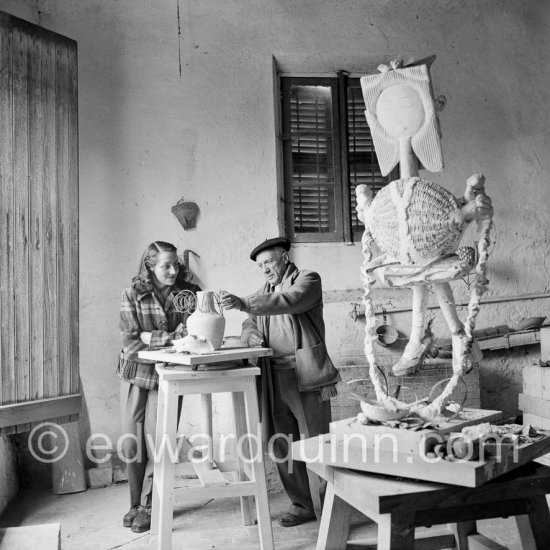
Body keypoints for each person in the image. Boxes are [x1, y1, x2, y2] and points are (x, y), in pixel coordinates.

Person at [220, 237, 341, 527]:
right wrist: (251, 335)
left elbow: (292, 301)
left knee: (315, 442)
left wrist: (244, 303)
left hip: (305, 373)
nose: (264, 270)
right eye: (260, 266)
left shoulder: (307, 280)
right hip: (273, 377)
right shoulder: (262, 293)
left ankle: (329, 508)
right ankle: (302, 505)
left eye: (269, 262)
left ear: (284, 257)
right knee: (281, 443)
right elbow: (249, 322)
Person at [117, 241, 200, 532]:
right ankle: (134, 503)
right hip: (135, 375)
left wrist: (150, 336)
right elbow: (130, 343)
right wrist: (169, 337)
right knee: (131, 443)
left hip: (167, 375)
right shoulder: (132, 294)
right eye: (166, 265)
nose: (173, 270)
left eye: (176, 264)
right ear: (149, 266)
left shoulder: (186, 294)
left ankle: (150, 504)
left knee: (159, 444)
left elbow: (192, 335)